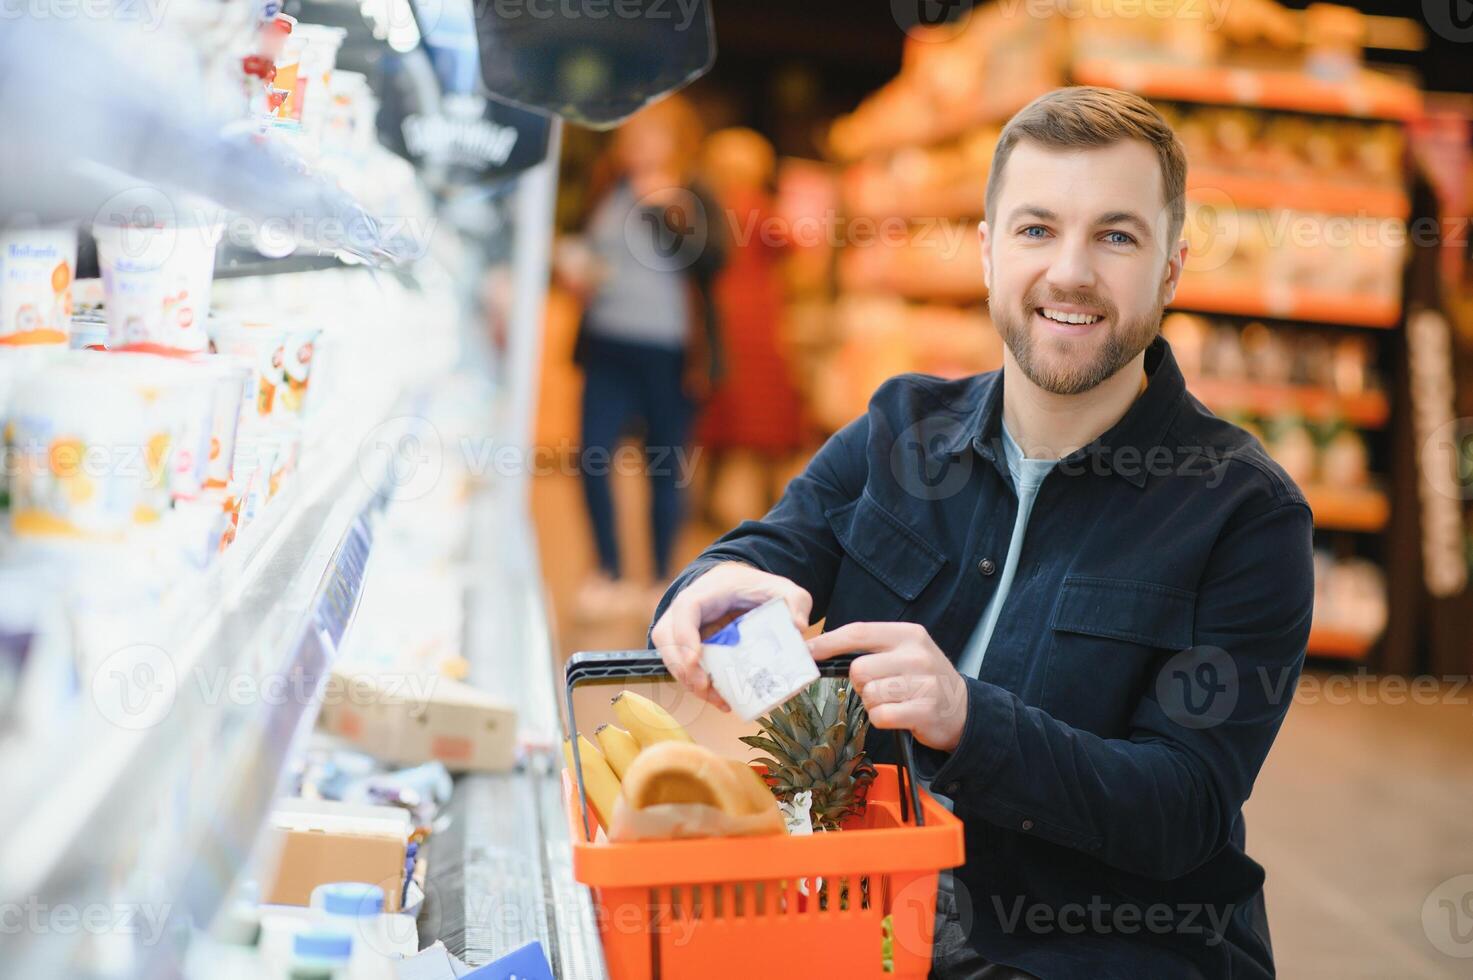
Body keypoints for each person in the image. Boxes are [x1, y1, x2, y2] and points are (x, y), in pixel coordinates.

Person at [649, 87, 1313, 979]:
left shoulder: (1243, 513)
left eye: (1115, 236)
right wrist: (715, 586)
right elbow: (768, 550)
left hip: (1098, 953)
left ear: (1170, 268)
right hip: (865, 922)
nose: (1069, 272)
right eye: (1036, 229)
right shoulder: (898, 429)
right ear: (988, 253)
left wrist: (967, 718)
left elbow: (1182, 806)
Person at [558, 95, 726, 621]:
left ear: (675, 139)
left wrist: (663, 214)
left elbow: (715, 261)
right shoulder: (607, 186)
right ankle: (606, 572)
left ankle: (658, 578)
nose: (637, 145)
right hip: (607, 346)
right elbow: (588, 247)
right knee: (592, 457)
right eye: (632, 135)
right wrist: (576, 270)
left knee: (664, 467)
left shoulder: (691, 193)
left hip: (669, 353)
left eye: (651, 134)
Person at [694, 128, 808, 525]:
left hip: (717, 317)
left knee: (721, 413)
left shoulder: (709, 207)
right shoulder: (759, 207)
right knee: (768, 416)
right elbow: (791, 246)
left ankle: (702, 499)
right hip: (759, 320)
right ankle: (773, 504)